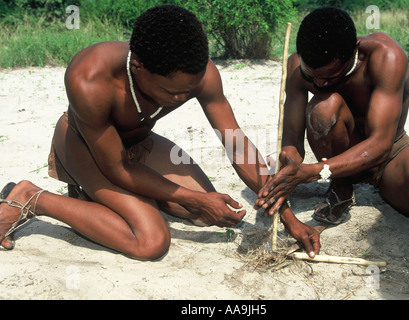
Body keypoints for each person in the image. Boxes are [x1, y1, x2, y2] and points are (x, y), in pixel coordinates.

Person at [0, 5, 320, 259]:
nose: (181, 99)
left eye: (189, 91)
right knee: (151, 241)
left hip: (138, 143)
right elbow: (118, 168)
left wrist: (289, 220)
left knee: (204, 215)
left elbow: (236, 144)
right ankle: (31, 197)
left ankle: (94, 200)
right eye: (171, 93)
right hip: (86, 148)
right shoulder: (89, 79)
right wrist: (197, 198)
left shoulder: (199, 73)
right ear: (137, 65)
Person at [256, 6, 409, 249]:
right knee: (324, 108)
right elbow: (292, 137)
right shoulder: (296, 65)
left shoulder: (386, 58)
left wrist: (314, 171)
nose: (319, 83)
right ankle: (341, 186)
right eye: (312, 76)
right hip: (334, 166)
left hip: (388, 157)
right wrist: (291, 163)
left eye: (330, 77)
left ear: (353, 51)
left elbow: (380, 144)